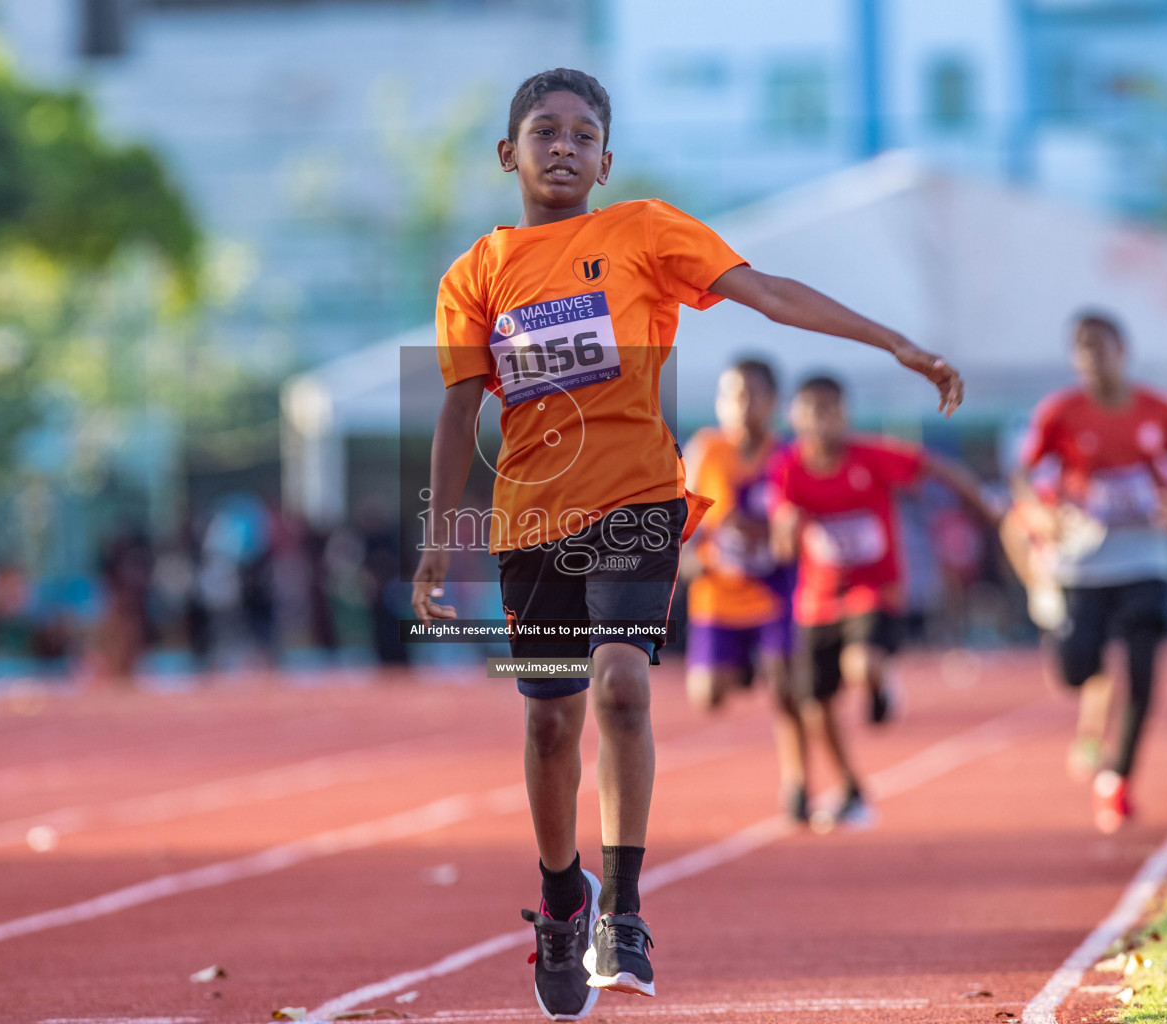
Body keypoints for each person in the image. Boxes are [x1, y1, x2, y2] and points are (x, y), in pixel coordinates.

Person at [408, 68, 963, 1020]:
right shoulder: (476, 275)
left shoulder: (645, 233)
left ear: (606, 160)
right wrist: (435, 536)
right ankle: (561, 898)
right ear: (510, 153)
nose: (564, 147)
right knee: (550, 723)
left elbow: (772, 295)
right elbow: (460, 408)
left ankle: (623, 908)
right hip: (532, 521)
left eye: (585, 134)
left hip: (639, 499)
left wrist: (894, 345)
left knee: (622, 685)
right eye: (545, 131)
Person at [767, 375, 997, 830]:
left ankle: (879, 684)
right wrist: (787, 529)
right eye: (811, 409)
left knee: (862, 666)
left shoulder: (871, 457)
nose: (821, 419)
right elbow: (782, 542)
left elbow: (936, 468)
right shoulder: (790, 467)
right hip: (818, 601)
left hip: (876, 590)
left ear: (845, 414)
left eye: (830, 409)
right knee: (817, 703)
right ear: (795, 417)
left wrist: (982, 506)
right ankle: (851, 787)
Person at [1013, 311, 1167, 834]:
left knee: (1143, 663)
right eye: (1082, 349)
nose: (1092, 359)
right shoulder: (1060, 412)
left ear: (1123, 350)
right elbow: (1024, 473)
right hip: (1084, 560)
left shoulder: (1159, 410)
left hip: (1146, 556)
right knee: (1077, 669)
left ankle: (1118, 777)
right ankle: (1082, 669)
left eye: (1101, 347)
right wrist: (1040, 511)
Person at [681, 358, 806, 819]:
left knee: (788, 689)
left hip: (774, 587)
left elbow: (799, 525)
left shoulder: (788, 458)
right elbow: (684, 514)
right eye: (731, 396)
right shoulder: (707, 450)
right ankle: (743, 666)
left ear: (773, 402)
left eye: (752, 395)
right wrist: (685, 554)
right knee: (708, 696)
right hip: (719, 591)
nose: (741, 406)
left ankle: (797, 783)